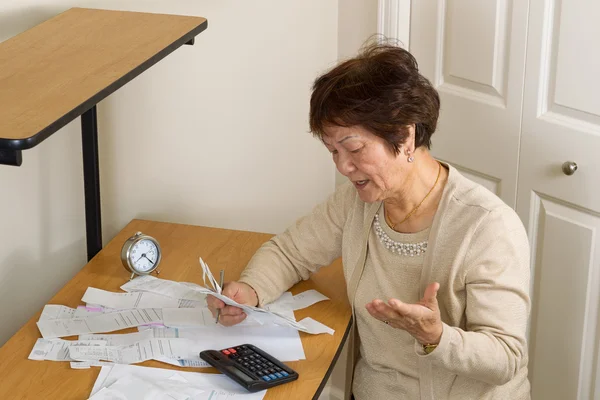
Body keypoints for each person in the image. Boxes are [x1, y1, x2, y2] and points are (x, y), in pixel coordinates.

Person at [207, 41, 531, 400]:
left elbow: (506, 357)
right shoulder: (357, 203)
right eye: (333, 151)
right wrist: (250, 291)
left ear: (405, 135)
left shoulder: (488, 226)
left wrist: (436, 336)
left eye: (355, 148)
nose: (343, 166)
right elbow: (290, 252)